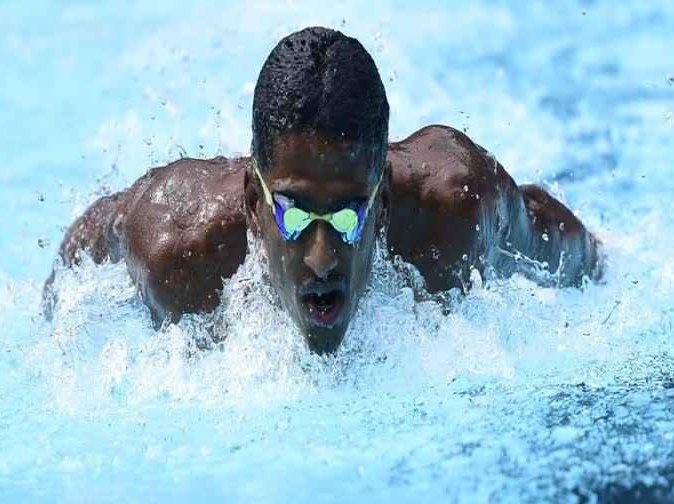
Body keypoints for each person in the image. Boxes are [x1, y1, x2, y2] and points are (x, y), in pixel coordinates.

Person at [44, 27, 602, 354]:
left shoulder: (452, 212)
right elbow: (99, 235)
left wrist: (604, 267)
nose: (321, 258)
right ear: (254, 205)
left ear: (382, 206)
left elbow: (547, 231)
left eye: (346, 216)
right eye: (294, 215)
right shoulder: (179, 247)